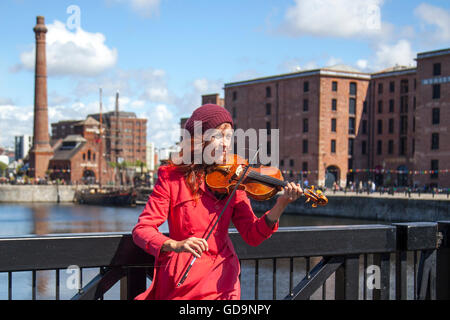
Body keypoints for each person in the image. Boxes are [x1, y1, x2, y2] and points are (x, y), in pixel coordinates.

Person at [132, 104, 303, 300]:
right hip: (184, 282)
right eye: (218, 136)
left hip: (223, 283)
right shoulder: (171, 178)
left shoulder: (235, 179)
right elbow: (142, 230)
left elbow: (252, 235)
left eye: (229, 137)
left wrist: (280, 205)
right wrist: (174, 244)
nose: (225, 144)